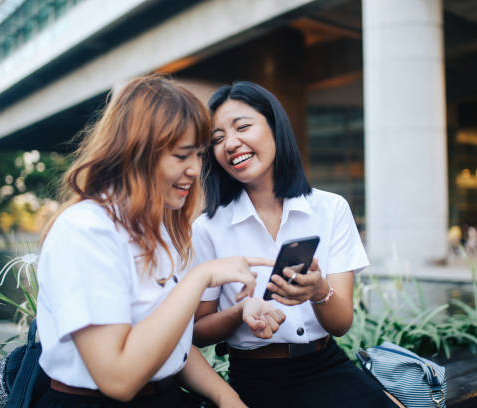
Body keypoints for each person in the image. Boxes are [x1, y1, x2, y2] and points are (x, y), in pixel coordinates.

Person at [35, 75, 272, 407]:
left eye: (199, 156)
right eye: (181, 156)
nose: (195, 169)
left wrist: (226, 396)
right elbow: (118, 378)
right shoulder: (85, 230)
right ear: (137, 153)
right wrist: (200, 278)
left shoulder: (155, 229)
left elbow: (167, 343)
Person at [192, 81, 401, 407]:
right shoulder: (207, 228)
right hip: (255, 379)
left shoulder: (330, 209)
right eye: (217, 139)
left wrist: (319, 292)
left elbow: (342, 323)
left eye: (242, 127)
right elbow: (199, 331)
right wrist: (240, 312)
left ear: (275, 127)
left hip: (326, 366)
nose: (231, 143)